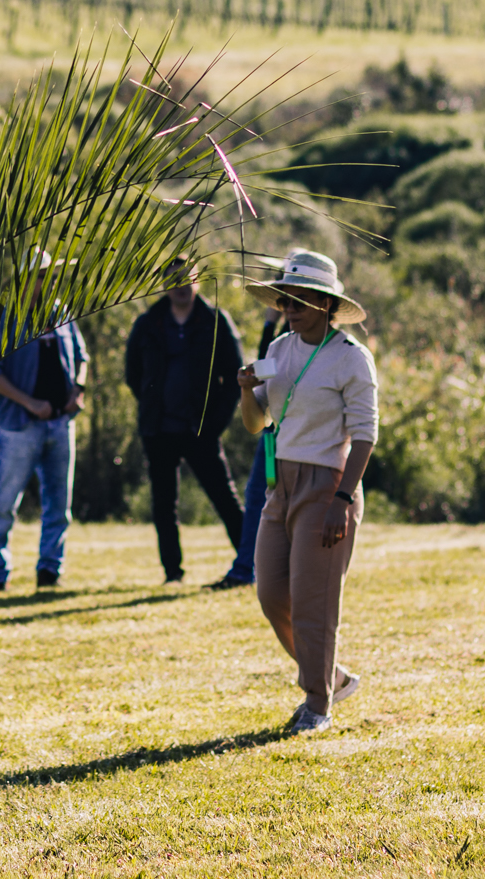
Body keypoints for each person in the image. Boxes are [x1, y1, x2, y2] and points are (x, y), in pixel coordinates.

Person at [234, 248, 378, 736]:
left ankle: (318, 703)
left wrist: (342, 498)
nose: (287, 310)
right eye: (284, 301)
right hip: (282, 483)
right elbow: (259, 424)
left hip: (329, 484)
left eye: (297, 302)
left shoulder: (351, 359)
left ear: (325, 304)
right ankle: (332, 677)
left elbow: (366, 435)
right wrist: (244, 390)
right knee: (272, 592)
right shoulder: (278, 351)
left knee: (314, 600)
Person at [123, 259, 244, 584]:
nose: (179, 285)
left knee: (225, 499)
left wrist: (214, 423)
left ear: (198, 281)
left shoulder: (215, 321)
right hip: (158, 429)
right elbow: (133, 374)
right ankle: (172, 573)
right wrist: (151, 405)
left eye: (185, 278)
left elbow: (235, 378)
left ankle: (250, 563)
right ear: (163, 283)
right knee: (164, 505)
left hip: (200, 429)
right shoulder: (148, 323)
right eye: (172, 279)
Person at [0, 249, 89, 593]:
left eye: (48, 275)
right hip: (19, 425)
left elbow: (82, 357)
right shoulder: (2, 318)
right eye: (40, 275)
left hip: (60, 423)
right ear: (23, 280)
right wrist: (29, 402)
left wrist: (78, 391)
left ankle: (49, 571)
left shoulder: (61, 312)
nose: (46, 281)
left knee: (59, 504)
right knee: (4, 504)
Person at [208, 300, 287, 590]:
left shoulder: (309, 337)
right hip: (270, 434)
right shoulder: (283, 340)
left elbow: (271, 369)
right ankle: (246, 568)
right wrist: (270, 324)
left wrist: (270, 323)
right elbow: (264, 371)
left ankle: (251, 569)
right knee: (259, 493)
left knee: (265, 496)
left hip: (287, 435)